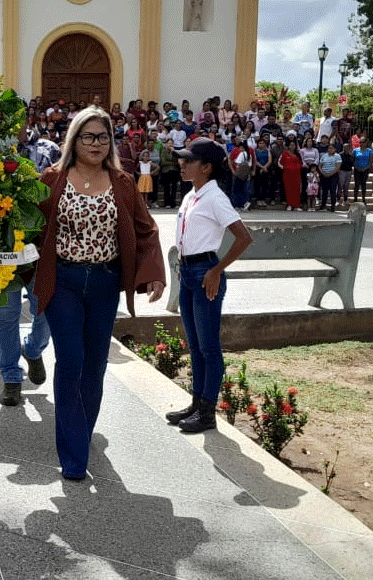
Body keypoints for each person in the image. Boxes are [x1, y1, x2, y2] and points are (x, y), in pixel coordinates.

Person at [33, 106, 166, 480]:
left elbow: (146, 230)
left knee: (95, 365)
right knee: (71, 360)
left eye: (103, 137)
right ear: (74, 140)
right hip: (64, 282)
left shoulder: (122, 182)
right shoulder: (52, 178)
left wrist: (154, 273)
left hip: (106, 282)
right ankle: (73, 455)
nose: (96, 143)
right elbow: (30, 225)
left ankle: (81, 432)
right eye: (88, 136)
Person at [164, 138, 253, 433]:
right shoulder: (193, 194)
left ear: (206, 167)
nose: (182, 163)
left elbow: (243, 237)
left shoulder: (215, 198)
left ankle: (207, 412)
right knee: (196, 346)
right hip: (189, 273)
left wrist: (217, 270)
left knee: (209, 348)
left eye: (188, 160)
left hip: (205, 274)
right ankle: (196, 404)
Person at [278, 138, 303, 211]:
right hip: (287, 174)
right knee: (288, 189)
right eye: (291, 145)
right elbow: (279, 163)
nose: (292, 146)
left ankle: (296, 205)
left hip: (296, 174)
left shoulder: (298, 154)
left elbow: (301, 163)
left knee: (297, 190)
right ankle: (289, 204)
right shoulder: (284, 154)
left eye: (293, 145)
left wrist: (298, 167)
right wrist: (285, 168)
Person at [318, 143, 342, 211]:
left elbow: (338, 166)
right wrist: (322, 173)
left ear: (335, 149)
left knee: (332, 191)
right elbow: (320, 165)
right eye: (329, 148)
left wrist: (331, 173)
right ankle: (323, 205)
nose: (330, 150)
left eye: (332, 148)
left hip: (333, 175)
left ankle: (333, 205)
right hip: (324, 175)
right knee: (324, 191)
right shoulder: (324, 156)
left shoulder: (337, 156)